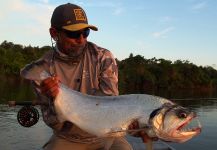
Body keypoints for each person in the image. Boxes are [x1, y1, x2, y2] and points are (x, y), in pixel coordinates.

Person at [21, 3, 153, 150]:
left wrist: (135, 126)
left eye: (86, 32)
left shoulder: (103, 57)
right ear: (54, 33)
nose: (81, 39)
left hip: (107, 136)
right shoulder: (40, 70)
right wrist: (52, 99)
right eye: (73, 34)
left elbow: (111, 107)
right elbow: (53, 123)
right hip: (67, 138)